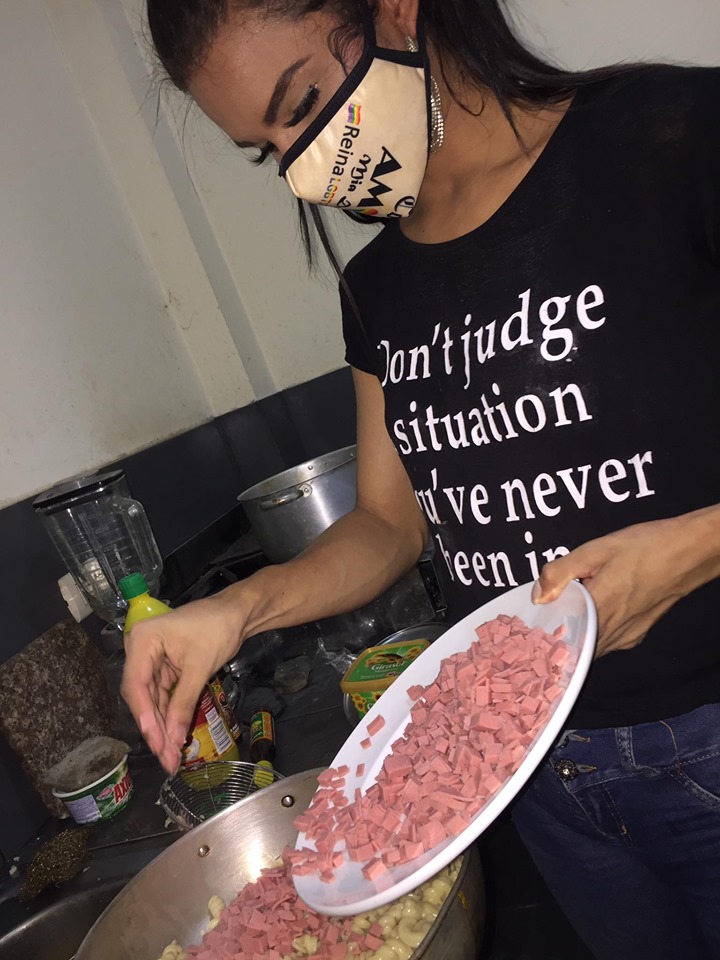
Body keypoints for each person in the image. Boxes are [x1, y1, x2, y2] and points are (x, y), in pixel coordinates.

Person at [121, 1, 720, 957]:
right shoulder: (379, 289)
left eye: (302, 104)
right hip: (527, 775)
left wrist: (689, 551)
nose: (303, 169)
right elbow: (387, 525)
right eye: (269, 151)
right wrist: (236, 610)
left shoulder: (672, 137)